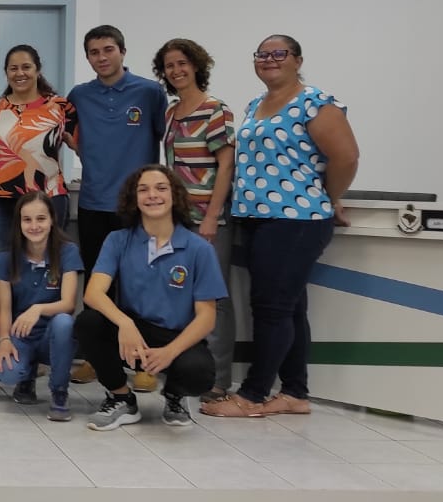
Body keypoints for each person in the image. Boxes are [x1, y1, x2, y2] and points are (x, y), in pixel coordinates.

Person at [201, 35, 358, 419]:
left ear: (297, 60)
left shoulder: (315, 104)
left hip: (296, 220)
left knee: (270, 309)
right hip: (258, 219)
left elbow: (347, 157)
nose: (269, 60)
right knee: (289, 308)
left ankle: (253, 395)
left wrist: (328, 197)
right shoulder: (256, 105)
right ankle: (294, 392)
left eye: (279, 53)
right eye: (262, 54)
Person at [77, 166, 224, 431]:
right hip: (132, 333)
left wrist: (171, 351)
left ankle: (174, 396)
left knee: (199, 374)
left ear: (175, 195)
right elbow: (93, 293)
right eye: (143, 189)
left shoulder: (198, 248)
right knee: (88, 323)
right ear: (133, 199)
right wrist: (125, 324)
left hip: (175, 337)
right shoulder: (118, 240)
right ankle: (121, 397)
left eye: (160, 188)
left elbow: (207, 317)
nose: (152, 195)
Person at [66, 25, 167, 391]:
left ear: (122, 51)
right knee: (98, 284)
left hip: (138, 207)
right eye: (94, 52)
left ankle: (144, 364)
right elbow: (74, 140)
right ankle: (97, 358)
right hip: (93, 202)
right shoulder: (79, 96)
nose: (102, 57)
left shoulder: (150, 92)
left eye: (108, 49)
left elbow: (166, 143)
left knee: (139, 286)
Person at [153, 38, 237, 401]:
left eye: (182, 63)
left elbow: (227, 165)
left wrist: (211, 218)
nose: (177, 70)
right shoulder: (171, 113)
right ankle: (186, 369)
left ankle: (218, 380)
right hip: (179, 220)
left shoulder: (216, 110)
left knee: (213, 299)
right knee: (181, 296)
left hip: (209, 221)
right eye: (170, 65)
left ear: (197, 65)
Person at [0, 192, 83, 421]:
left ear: (52, 220)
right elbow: (4, 308)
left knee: (64, 322)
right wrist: (4, 341)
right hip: (21, 334)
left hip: (53, 334)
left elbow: (69, 304)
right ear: (19, 223)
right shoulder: (6, 257)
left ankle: (59, 392)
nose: (34, 226)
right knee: (7, 373)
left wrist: (38, 309)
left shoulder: (67, 251)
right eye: (27, 220)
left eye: (41, 219)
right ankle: (25, 378)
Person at [0, 44, 75, 253]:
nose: (20, 73)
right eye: (13, 68)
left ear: (37, 70)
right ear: (6, 73)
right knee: (0, 263)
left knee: (49, 263)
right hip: (1, 201)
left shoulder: (60, 107)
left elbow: (84, 147)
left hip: (49, 198)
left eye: (26, 67)